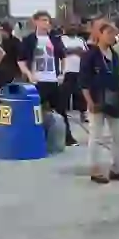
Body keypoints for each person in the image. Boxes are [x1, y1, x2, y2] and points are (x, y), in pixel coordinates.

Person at [81, 19, 119, 184]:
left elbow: (116, 79)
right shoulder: (90, 55)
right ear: (100, 34)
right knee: (96, 135)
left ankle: (116, 167)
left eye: (114, 34)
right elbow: (83, 80)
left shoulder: (114, 55)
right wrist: (89, 100)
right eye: (108, 33)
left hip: (113, 97)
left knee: (118, 135)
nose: (112, 37)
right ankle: (94, 169)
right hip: (96, 98)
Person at [18, 11, 77, 145]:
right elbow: (21, 60)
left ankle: (67, 137)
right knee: (34, 110)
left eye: (48, 21)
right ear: (36, 22)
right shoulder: (30, 40)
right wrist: (29, 74)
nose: (46, 23)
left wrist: (62, 73)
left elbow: (63, 57)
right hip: (38, 80)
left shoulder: (54, 39)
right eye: (43, 20)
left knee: (60, 109)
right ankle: (31, 137)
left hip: (53, 79)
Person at [60, 23, 88, 123]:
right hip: (66, 71)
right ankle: (62, 114)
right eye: (70, 25)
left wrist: (72, 51)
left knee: (80, 94)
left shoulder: (80, 40)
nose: (72, 27)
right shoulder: (61, 39)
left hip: (79, 70)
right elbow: (61, 51)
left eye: (74, 25)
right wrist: (76, 50)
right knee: (64, 94)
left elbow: (86, 52)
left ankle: (83, 113)